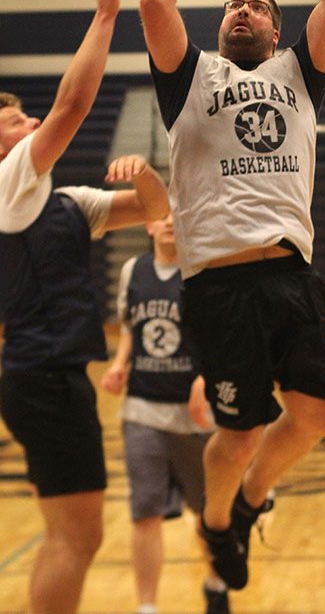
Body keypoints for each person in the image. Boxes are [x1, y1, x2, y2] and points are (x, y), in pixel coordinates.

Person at [138, 0, 325, 591]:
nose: (243, 11)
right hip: (220, 283)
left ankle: (256, 496)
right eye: (233, 5)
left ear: (276, 30)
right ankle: (218, 522)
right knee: (235, 434)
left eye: (257, 7)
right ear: (220, 25)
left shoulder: (300, 76)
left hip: (290, 273)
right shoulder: (190, 77)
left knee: (317, 417)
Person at [0, 0, 169, 614]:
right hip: (42, 379)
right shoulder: (8, 185)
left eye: (27, 121)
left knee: (71, 535)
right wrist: (105, 16)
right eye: (17, 124)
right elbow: (73, 104)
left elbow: (155, 212)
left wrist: (143, 173)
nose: (30, 129)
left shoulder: (65, 202)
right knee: (76, 536)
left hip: (48, 379)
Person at [101, 212, 230, 614]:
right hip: (142, 408)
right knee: (145, 512)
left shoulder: (204, 270)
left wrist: (206, 378)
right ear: (149, 226)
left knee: (208, 513)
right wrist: (120, 364)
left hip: (196, 416)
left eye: (178, 214)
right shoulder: (132, 271)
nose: (171, 221)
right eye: (162, 216)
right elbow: (129, 328)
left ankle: (217, 582)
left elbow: (224, 334)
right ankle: (147, 606)